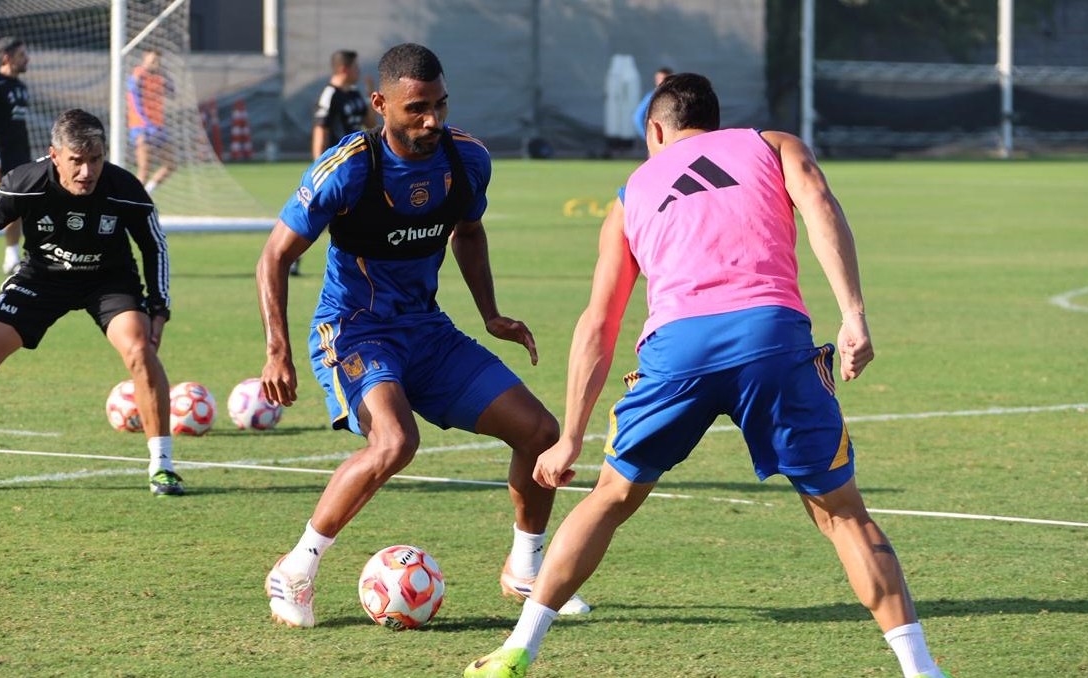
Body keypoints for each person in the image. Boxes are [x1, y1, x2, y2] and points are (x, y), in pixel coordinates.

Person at [466, 74, 950, 678]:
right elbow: (821, 204)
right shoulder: (772, 146)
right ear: (716, 124)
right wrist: (852, 315)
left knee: (610, 498)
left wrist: (571, 437)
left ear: (656, 131)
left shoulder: (630, 194)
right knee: (842, 513)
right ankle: (921, 669)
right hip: (770, 337)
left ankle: (518, 650)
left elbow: (599, 323)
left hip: (678, 348)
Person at [256, 42, 589, 629]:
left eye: (439, 105)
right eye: (417, 109)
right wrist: (277, 351)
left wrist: (490, 313)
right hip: (355, 331)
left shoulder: (466, 160)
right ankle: (296, 568)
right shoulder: (349, 168)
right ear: (381, 103)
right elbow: (275, 256)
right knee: (394, 443)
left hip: (428, 332)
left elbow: (469, 231)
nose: (432, 120)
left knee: (539, 432)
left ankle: (525, 568)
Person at [0, 108, 184, 497]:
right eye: (77, 161)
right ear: (55, 156)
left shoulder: (124, 186)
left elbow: (154, 244)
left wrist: (158, 308)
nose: (88, 171)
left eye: (96, 160)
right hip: (43, 278)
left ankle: (163, 468)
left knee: (140, 350)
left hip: (109, 281)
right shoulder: (25, 181)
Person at [291, 49, 377, 277]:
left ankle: (367, 263)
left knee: (359, 215)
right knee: (316, 214)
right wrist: (321, 166)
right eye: (356, 67)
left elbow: (370, 123)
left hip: (358, 166)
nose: (359, 72)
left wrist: (370, 96)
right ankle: (290, 256)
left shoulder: (355, 94)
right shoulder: (330, 95)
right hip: (335, 168)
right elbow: (321, 130)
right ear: (344, 69)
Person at [0, 37, 32, 275]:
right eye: (22, 54)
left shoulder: (21, 87)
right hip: (3, 159)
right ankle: (10, 258)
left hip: (23, 155)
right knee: (11, 206)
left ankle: (15, 257)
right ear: (6, 58)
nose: (27, 59)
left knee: (24, 206)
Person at [127, 49, 175, 195]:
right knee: (144, 169)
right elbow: (134, 98)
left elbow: (172, 93)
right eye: (153, 60)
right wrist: (144, 121)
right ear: (144, 58)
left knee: (170, 164)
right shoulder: (138, 74)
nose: (156, 63)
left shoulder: (160, 77)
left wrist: (165, 75)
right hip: (142, 127)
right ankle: (133, 200)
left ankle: (147, 192)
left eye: (158, 61)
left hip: (157, 126)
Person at [631, 66, 672, 138]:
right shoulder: (652, 96)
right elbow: (637, 117)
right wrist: (647, 137)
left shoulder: (677, 95)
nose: (660, 81)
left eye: (663, 79)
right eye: (658, 79)